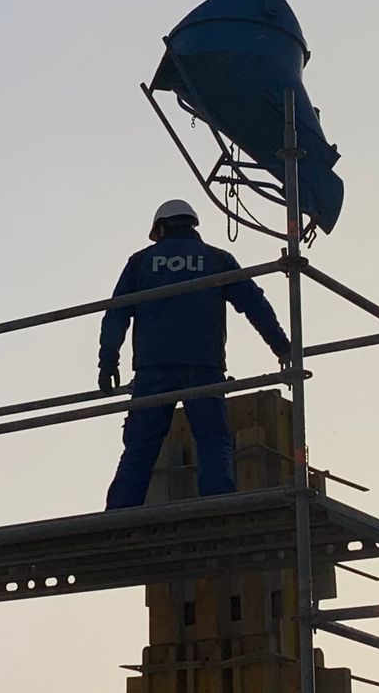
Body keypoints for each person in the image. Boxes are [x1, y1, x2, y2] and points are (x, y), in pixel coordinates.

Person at [98, 198, 291, 509]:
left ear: (161, 228)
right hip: (204, 365)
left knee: (140, 447)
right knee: (213, 439)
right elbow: (254, 304)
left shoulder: (141, 262)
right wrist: (281, 345)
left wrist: (108, 362)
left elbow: (116, 314)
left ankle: (119, 515)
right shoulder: (217, 259)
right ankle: (218, 508)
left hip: (154, 369)